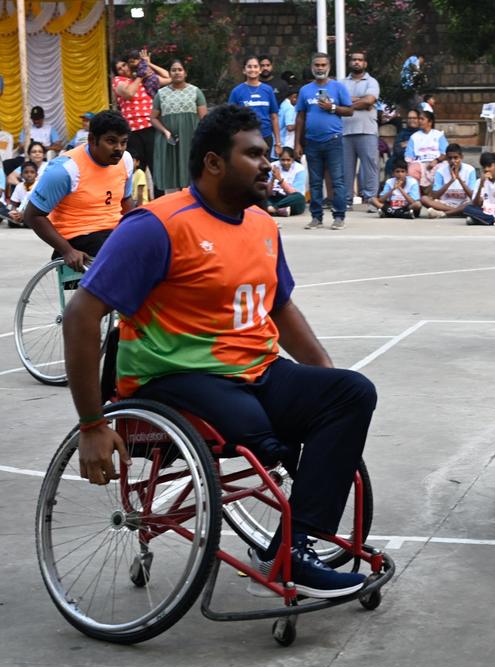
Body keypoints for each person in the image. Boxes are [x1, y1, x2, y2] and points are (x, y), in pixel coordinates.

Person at [62, 104, 377, 598]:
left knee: (351, 393)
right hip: (173, 376)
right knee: (261, 433)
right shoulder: (156, 225)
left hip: (253, 368)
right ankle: (288, 552)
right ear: (213, 163)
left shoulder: (262, 225)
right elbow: (82, 314)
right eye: (253, 155)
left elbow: (280, 306)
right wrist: (91, 425)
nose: (267, 164)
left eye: (266, 154)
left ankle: (291, 551)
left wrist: (323, 379)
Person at [23, 111, 133, 270]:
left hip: (113, 233)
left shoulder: (126, 160)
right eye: (111, 141)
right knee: (120, 256)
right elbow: (32, 215)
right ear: (92, 139)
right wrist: (67, 251)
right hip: (78, 237)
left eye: (123, 142)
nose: (119, 149)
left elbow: (126, 200)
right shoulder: (65, 169)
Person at [295, 52, 352, 231]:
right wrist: (297, 143)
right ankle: (316, 218)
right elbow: (300, 117)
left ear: (329, 67)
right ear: (312, 67)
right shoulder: (305, 90)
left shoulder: (338, 87)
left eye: (323, 65)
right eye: (317, 65)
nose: (320, 68)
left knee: (337, 180)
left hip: (333, 140)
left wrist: (332, 107)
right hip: (312, 142)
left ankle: (339, 216)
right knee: (315, 182)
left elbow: (349, 111)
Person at [151, 59, 208, 194]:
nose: (177, 72)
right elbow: (153, 118)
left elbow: (205, 119)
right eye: (173, 70)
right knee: (170, 178)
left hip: (191, 141)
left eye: (180, 69)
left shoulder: (195, 92)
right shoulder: (161, 94)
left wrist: (201, 139)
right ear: (170, 73)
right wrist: (165, 132)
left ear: (185, 73)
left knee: (191, 175)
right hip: (169, 142)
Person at [342, 51, 381, 213]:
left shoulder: (372, 82)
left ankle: (372, 200)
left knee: (370, 167)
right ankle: (346, 201)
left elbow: (370, 100)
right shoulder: (342, 83)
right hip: (345, 131)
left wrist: (348, 103)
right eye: (354, 60)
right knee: (346, 169)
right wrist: (362, 101)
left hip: (367, 130)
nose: (357, 62)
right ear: (350, 62)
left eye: (360, 60)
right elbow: (338, 101)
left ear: (365, 63)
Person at [111, 54, 159, 178]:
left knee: (156, 167)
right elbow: (129, 93)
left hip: (150, 126)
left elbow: (168, 78)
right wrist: (139, 77)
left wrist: (149, 64)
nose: (123, 69)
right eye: (119, 68)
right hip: (133, 130)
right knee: (137, 169)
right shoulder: (118, 81)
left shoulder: (142, 78)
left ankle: (159, 192)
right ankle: (135, 191)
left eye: (124, 65)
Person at [228, 56, 281, 159]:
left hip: (265, 137)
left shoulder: (268, 90)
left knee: (264, 166)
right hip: (245, 137)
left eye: (255, 67)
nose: (252, 69)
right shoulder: (237, 91)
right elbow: (230, 118)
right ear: (244, 70)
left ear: (260, 70)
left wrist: (278, 142)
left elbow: (274, 117)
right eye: (249, 67)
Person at [421, 143, 477, 218]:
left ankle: (444, 214)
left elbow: (472, 196)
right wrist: (451, 181)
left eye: (455, 158)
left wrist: (459, 178)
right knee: (424, 199)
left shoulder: (470, 170)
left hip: (464, 203)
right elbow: (435, 196)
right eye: (450, 158)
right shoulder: (440, 171)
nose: (453, 161)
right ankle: (459, 212)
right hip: (446, 204)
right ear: (446, 159)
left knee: (475, 202)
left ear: (461, 157)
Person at [405, 110, 448, 189]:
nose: (419, 121)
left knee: (444, 169)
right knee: (412, 170)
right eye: (419, 119)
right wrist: (411, 164)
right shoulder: (414, 137)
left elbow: (445, 153)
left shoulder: (438, 135)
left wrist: (436, 161)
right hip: (420, 162)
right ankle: (416, 194)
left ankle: (439, 193)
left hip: (437, 162)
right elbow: (409, 156)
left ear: (430, 122)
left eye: (422, 119)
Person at [267, 146, 307, 217]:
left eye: (288, 160)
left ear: (293, 160)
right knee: (259, 196)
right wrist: (273, 179)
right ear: (279, 159)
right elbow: (268, 193)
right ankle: (279, 210)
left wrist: (280, 180)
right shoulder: (272, 166)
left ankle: (272, 209)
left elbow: (294, 193)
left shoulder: (299, 169)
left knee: (299, 198)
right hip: (274, 197)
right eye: (283, 160)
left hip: (289, 200)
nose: (285, 163)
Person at [2, 161, 38, 226]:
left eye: (32, 172)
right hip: (21, 212)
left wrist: (24, 214)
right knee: (5, 213)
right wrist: (14, 214)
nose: (29, 175)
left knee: (34, 220)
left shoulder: (39, 186)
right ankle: (22, 222)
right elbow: (14, 205)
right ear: (21, 175)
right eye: (26, 172)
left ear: (36, 174)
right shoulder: (19, 186)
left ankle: (24, 222)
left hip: (34, 213)